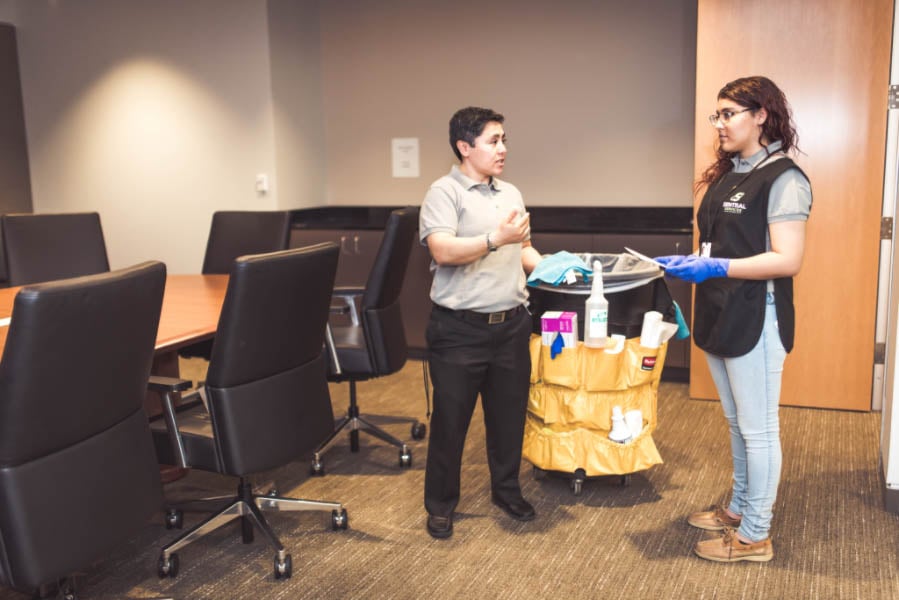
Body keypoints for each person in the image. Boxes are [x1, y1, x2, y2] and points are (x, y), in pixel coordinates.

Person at [655, 76, 812, 563]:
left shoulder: (783, 177)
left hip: (756, 316)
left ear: (760, 115)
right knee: (737, 423)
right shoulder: (728, 174)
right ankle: (741, 509)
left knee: (759, 428)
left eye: (729, 114)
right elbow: (719, 244)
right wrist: (697, 263)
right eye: (716, 115)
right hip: (721, 310)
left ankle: (756, 537)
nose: (719, 124)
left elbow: (788, 260)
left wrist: (717, 267)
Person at [419, 106, 543, 539]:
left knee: (508, 418)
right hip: (459, 331)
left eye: (504, 139)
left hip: (511, 324)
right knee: (451, 422)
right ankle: (440, 504)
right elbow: (442, 251)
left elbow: (523, 249)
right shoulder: (443, 192)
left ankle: (506, 491)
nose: (503, 148)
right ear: (464, 147)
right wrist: (494, 239)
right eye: (493, 141)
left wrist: (550, 268)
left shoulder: (510, 192)